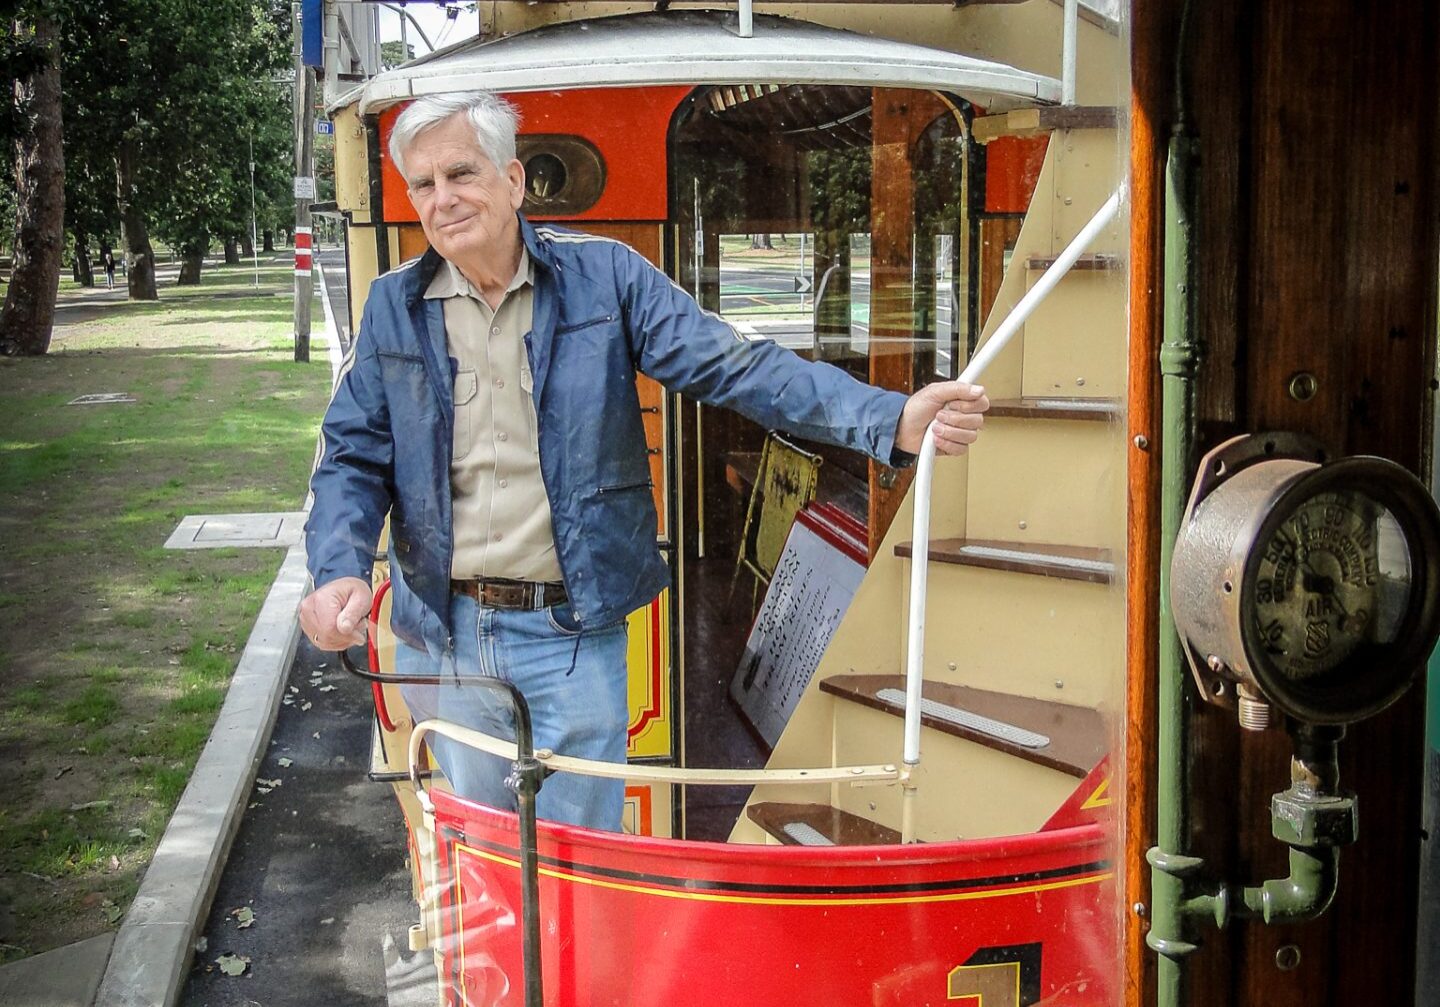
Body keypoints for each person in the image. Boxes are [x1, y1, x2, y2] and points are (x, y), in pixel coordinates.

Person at [299, 91, 990, 832]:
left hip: (569, 632)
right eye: (424, 184)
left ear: (513, 180)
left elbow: (735, 366)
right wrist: (337, 567)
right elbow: (351, 455)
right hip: (445, 636)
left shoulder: (605, 278)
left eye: (462, 173)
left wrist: (887, 417)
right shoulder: (393, 307)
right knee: (484, 852)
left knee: (582, 857)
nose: (444, 199)